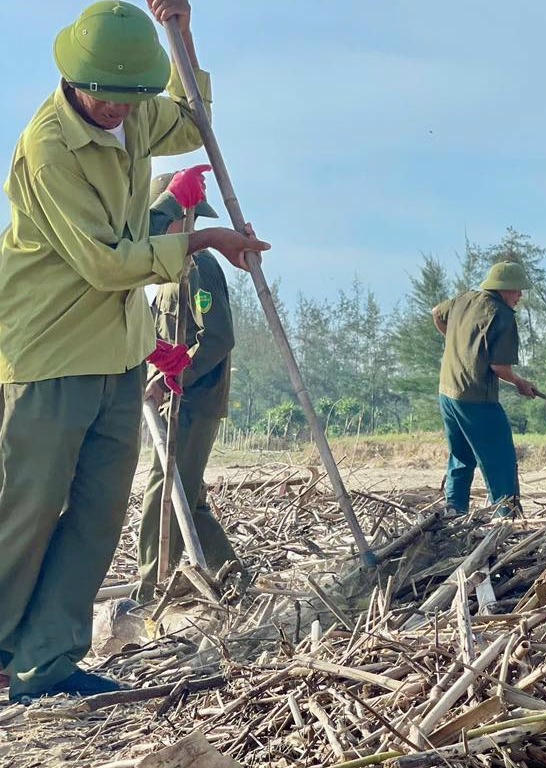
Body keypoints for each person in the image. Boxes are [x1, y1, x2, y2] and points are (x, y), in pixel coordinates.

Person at [0, 0, 269, 701]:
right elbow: (106, 263)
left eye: (131, 97)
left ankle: (45, 664)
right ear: (74, 79)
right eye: (105, 96)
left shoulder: (137, 111)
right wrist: (205, 241)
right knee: (26, 512)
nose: (119, 110)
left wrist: (182, 31)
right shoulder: (49, 147)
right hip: (48, 351)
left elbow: (191, 120)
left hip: (119, 353)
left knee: (97, 515)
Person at [136, 172, 239, 602]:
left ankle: (148, 593)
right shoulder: (162, 275)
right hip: (171, 401)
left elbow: (215, 337)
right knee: (187, 497)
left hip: (193, 401)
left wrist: (174, 376)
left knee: (165, 491)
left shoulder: (200, 267)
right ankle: (236, 583)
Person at [432, 261, 538, 517]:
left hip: (447, 392)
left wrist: (455, 341)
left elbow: (436, 312)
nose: (520, 296)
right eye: (516, 290)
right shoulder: (501, 315)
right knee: (499, 458)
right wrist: (521, 383)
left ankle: (454, 511)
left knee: (461, 455)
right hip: (476, 397)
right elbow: (499, 367)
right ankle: (507, 515)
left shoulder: (464, 299)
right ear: (503, 289)